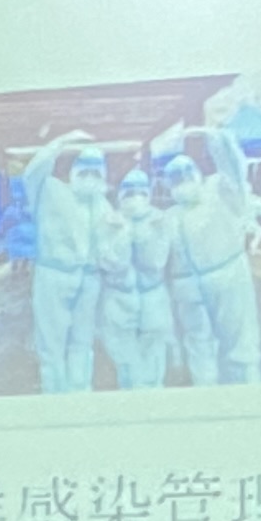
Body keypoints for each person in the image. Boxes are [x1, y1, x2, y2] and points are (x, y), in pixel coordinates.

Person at [160, 142, 261, 387]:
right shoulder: (170, 217)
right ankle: (205, 392)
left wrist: (217, 139)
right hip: (187, 290)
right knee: (198, 345)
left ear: (199, 174)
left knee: (240, 345)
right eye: (175, 179)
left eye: (187, 174)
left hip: (228, 278)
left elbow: (233, 168)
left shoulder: (220, 194)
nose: (182, 181)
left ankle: (249, 394)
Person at [25, 138, 108, 395]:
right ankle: (54, 396)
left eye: (96, 172)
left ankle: (81, 394)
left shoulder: (102, 204)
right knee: (51, 344)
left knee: (83, 341)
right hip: (53, 276)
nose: (90, 178)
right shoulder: (50, 191)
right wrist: (59, 143)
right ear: (73, 171)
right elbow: (32, 173)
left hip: (89, 279)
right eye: (84, 171)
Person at [98, 164, 179, 390]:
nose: (135, 198)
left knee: (153, 357)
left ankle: (153, 401)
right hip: (119, 298)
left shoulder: (160, 221)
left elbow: (157, 261)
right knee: (125, 361)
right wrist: (123, 237)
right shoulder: (108, 221)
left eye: (141, 192)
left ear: (148, 194)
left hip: (153, 297)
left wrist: (143, 238)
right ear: (120, 195)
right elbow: (109, 261)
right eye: (129, 192)